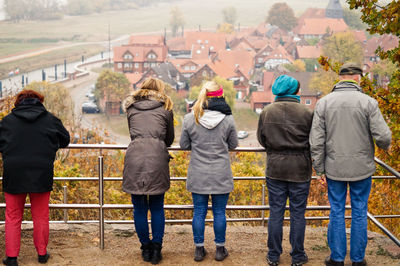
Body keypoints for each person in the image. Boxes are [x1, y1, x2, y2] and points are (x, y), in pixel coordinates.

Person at [309, 63, 392, 266]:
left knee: (336, 209)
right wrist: (383, 146)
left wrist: (319, 169)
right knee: (360, 210)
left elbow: (316, 141)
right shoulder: (369, 103)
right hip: (362, 167)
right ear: (358, 78)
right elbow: (383, 135)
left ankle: (337, 258)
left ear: (341, 79)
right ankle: (358, 259)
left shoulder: (324, 103)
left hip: (334, 167)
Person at [0, 90, 70, 266]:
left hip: (14, 172)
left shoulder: (7, 121)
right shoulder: (50, 119)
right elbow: (65, 140)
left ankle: (12, 257)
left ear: (18, 102)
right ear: (39, 102)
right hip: (41, 171)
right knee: (40, 216)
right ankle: (42, 254)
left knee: (13, 216)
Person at [257, 75, 313, 266]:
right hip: (300, 168)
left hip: (275, 168)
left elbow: (261, 139)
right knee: (298, 214)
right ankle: (297, 255)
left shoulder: (267, 112)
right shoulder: (306, 112)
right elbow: (313, 141)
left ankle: (273, 255)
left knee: (276, 213)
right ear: (294, 91)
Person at [180, 81, 238, 262]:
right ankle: (220, 249)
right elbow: (233, 144)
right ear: (220, 96)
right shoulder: (228, 119)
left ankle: (199, 249)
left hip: (198, 172)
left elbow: (184, 145)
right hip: (220, 172)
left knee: (199, 212)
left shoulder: (190, 118)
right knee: (220, 212)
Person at [122, 78, 174, 265]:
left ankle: (145, 248)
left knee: (139, 208)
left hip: (134, 157)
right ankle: (157, 249)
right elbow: (169, 138)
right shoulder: (165, 108)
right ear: (160, 90)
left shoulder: (130, 108)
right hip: (157, 158)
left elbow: (132, 133)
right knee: (157, 206)